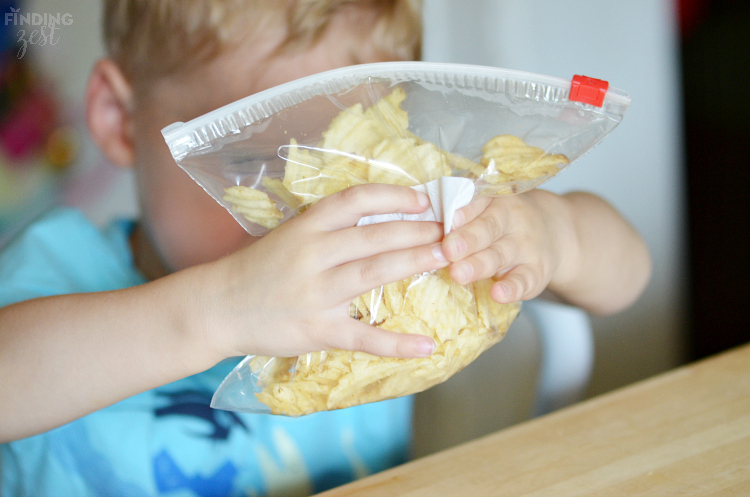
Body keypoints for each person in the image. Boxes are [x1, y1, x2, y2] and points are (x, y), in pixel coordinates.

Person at [0, 0, 651, 495]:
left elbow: (628, 275)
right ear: (120, 118)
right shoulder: (59, 272)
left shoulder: (377, 273)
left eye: (349, 160)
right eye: (252, 162)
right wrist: (217, 309)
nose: (306, 214)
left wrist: (548, 231)